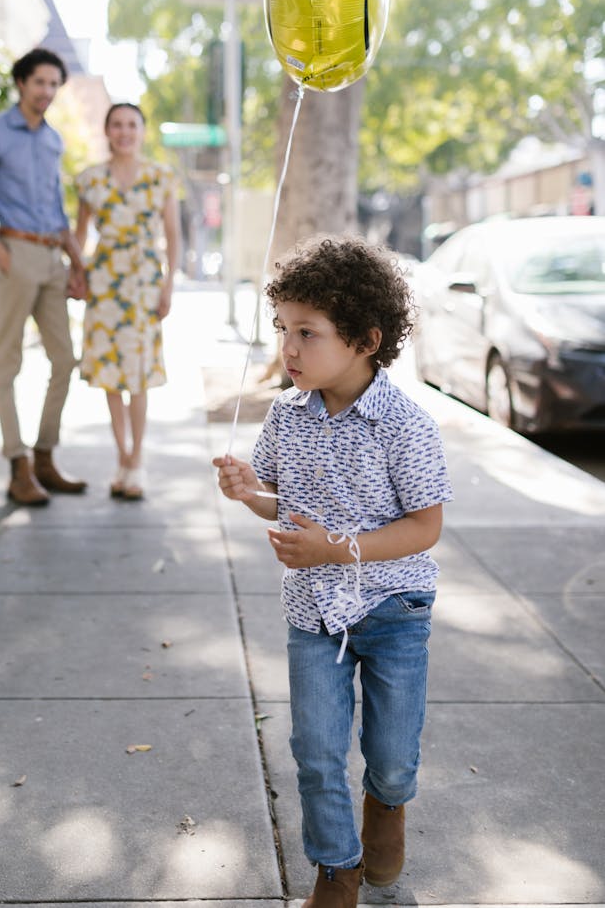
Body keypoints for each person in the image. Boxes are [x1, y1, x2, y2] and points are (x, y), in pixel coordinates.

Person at [213, 235, 452, 908]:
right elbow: (278, 496)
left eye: (307, 332)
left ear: (365, 338)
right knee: (316, 751)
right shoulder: (287, 415)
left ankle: (388, 806)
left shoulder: (404, 425)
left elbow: (425, 527)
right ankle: (336, 870)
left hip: (394, 610)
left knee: (393, 754)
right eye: (282, 329)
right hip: (314, 611)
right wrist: (245, 490)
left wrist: (335, 546)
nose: (288, 348)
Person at [0, 47, 87, 506]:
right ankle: (18, 466)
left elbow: (56, 207)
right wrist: (2, 255)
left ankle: (45, 457)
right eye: (40, 82)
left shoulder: (52, 140)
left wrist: (78, 263)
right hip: (15, 252)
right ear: (21, 83)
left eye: (54, 84)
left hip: (53, 257)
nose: (47, 91)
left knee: (65, 360)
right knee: (7, 363)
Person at [74, 102, 181, 500]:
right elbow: (81, 234)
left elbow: (173, 235)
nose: (124, 132)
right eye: (116, 125)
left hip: (144, 283)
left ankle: (136, 461)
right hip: (104, 283)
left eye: (131, 125)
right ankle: (121, 456)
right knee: (110, 376)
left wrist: (169, 284)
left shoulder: (160, 177)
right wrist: (76, 273)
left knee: (138, 374)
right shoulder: (89, 180)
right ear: (106, 130)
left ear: (142, 130)